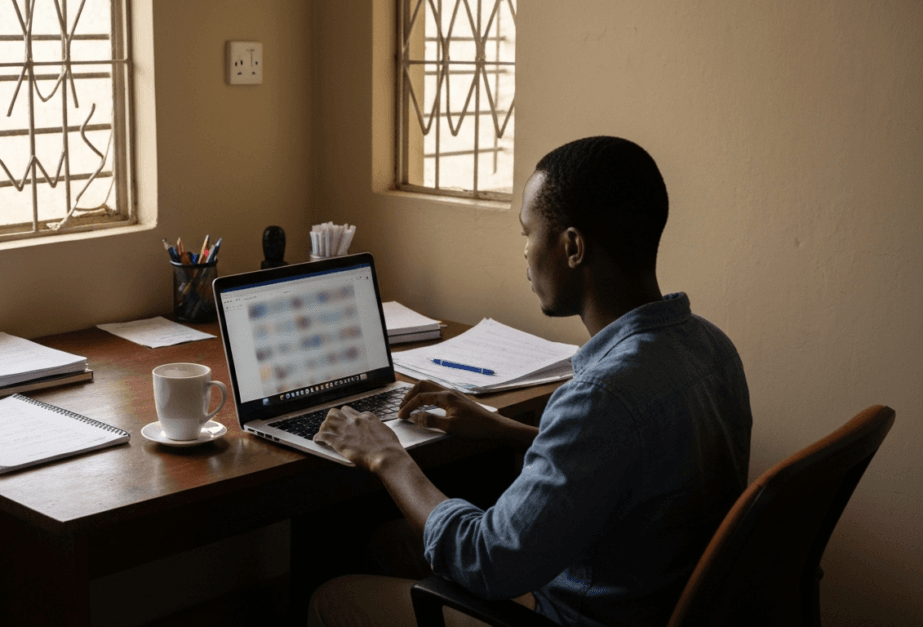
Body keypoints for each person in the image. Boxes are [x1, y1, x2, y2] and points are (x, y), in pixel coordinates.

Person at [308, 136, 753, 627]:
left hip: (573, 611)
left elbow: (487, 561)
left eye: (528, 233)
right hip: (650, 595)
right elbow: (634, 464)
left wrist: (386, 455)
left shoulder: (600, 396)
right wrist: (508, 431)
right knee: (387, 542)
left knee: (331, 598)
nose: (524, 252)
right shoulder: (712, 348)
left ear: (572, 247)